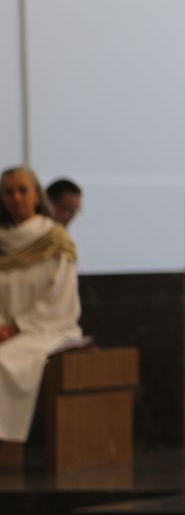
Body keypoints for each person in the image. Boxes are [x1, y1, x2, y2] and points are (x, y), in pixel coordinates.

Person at [0, 166, 83, 449]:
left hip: (45, 328)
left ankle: (8, 445)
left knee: (5, 360)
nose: (16, 198)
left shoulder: (54, 238)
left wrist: (17, 327)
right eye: (9, 192)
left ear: (36, 195)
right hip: (6, 329)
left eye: (22, 190)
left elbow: (58, 296)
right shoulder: (2, 240)